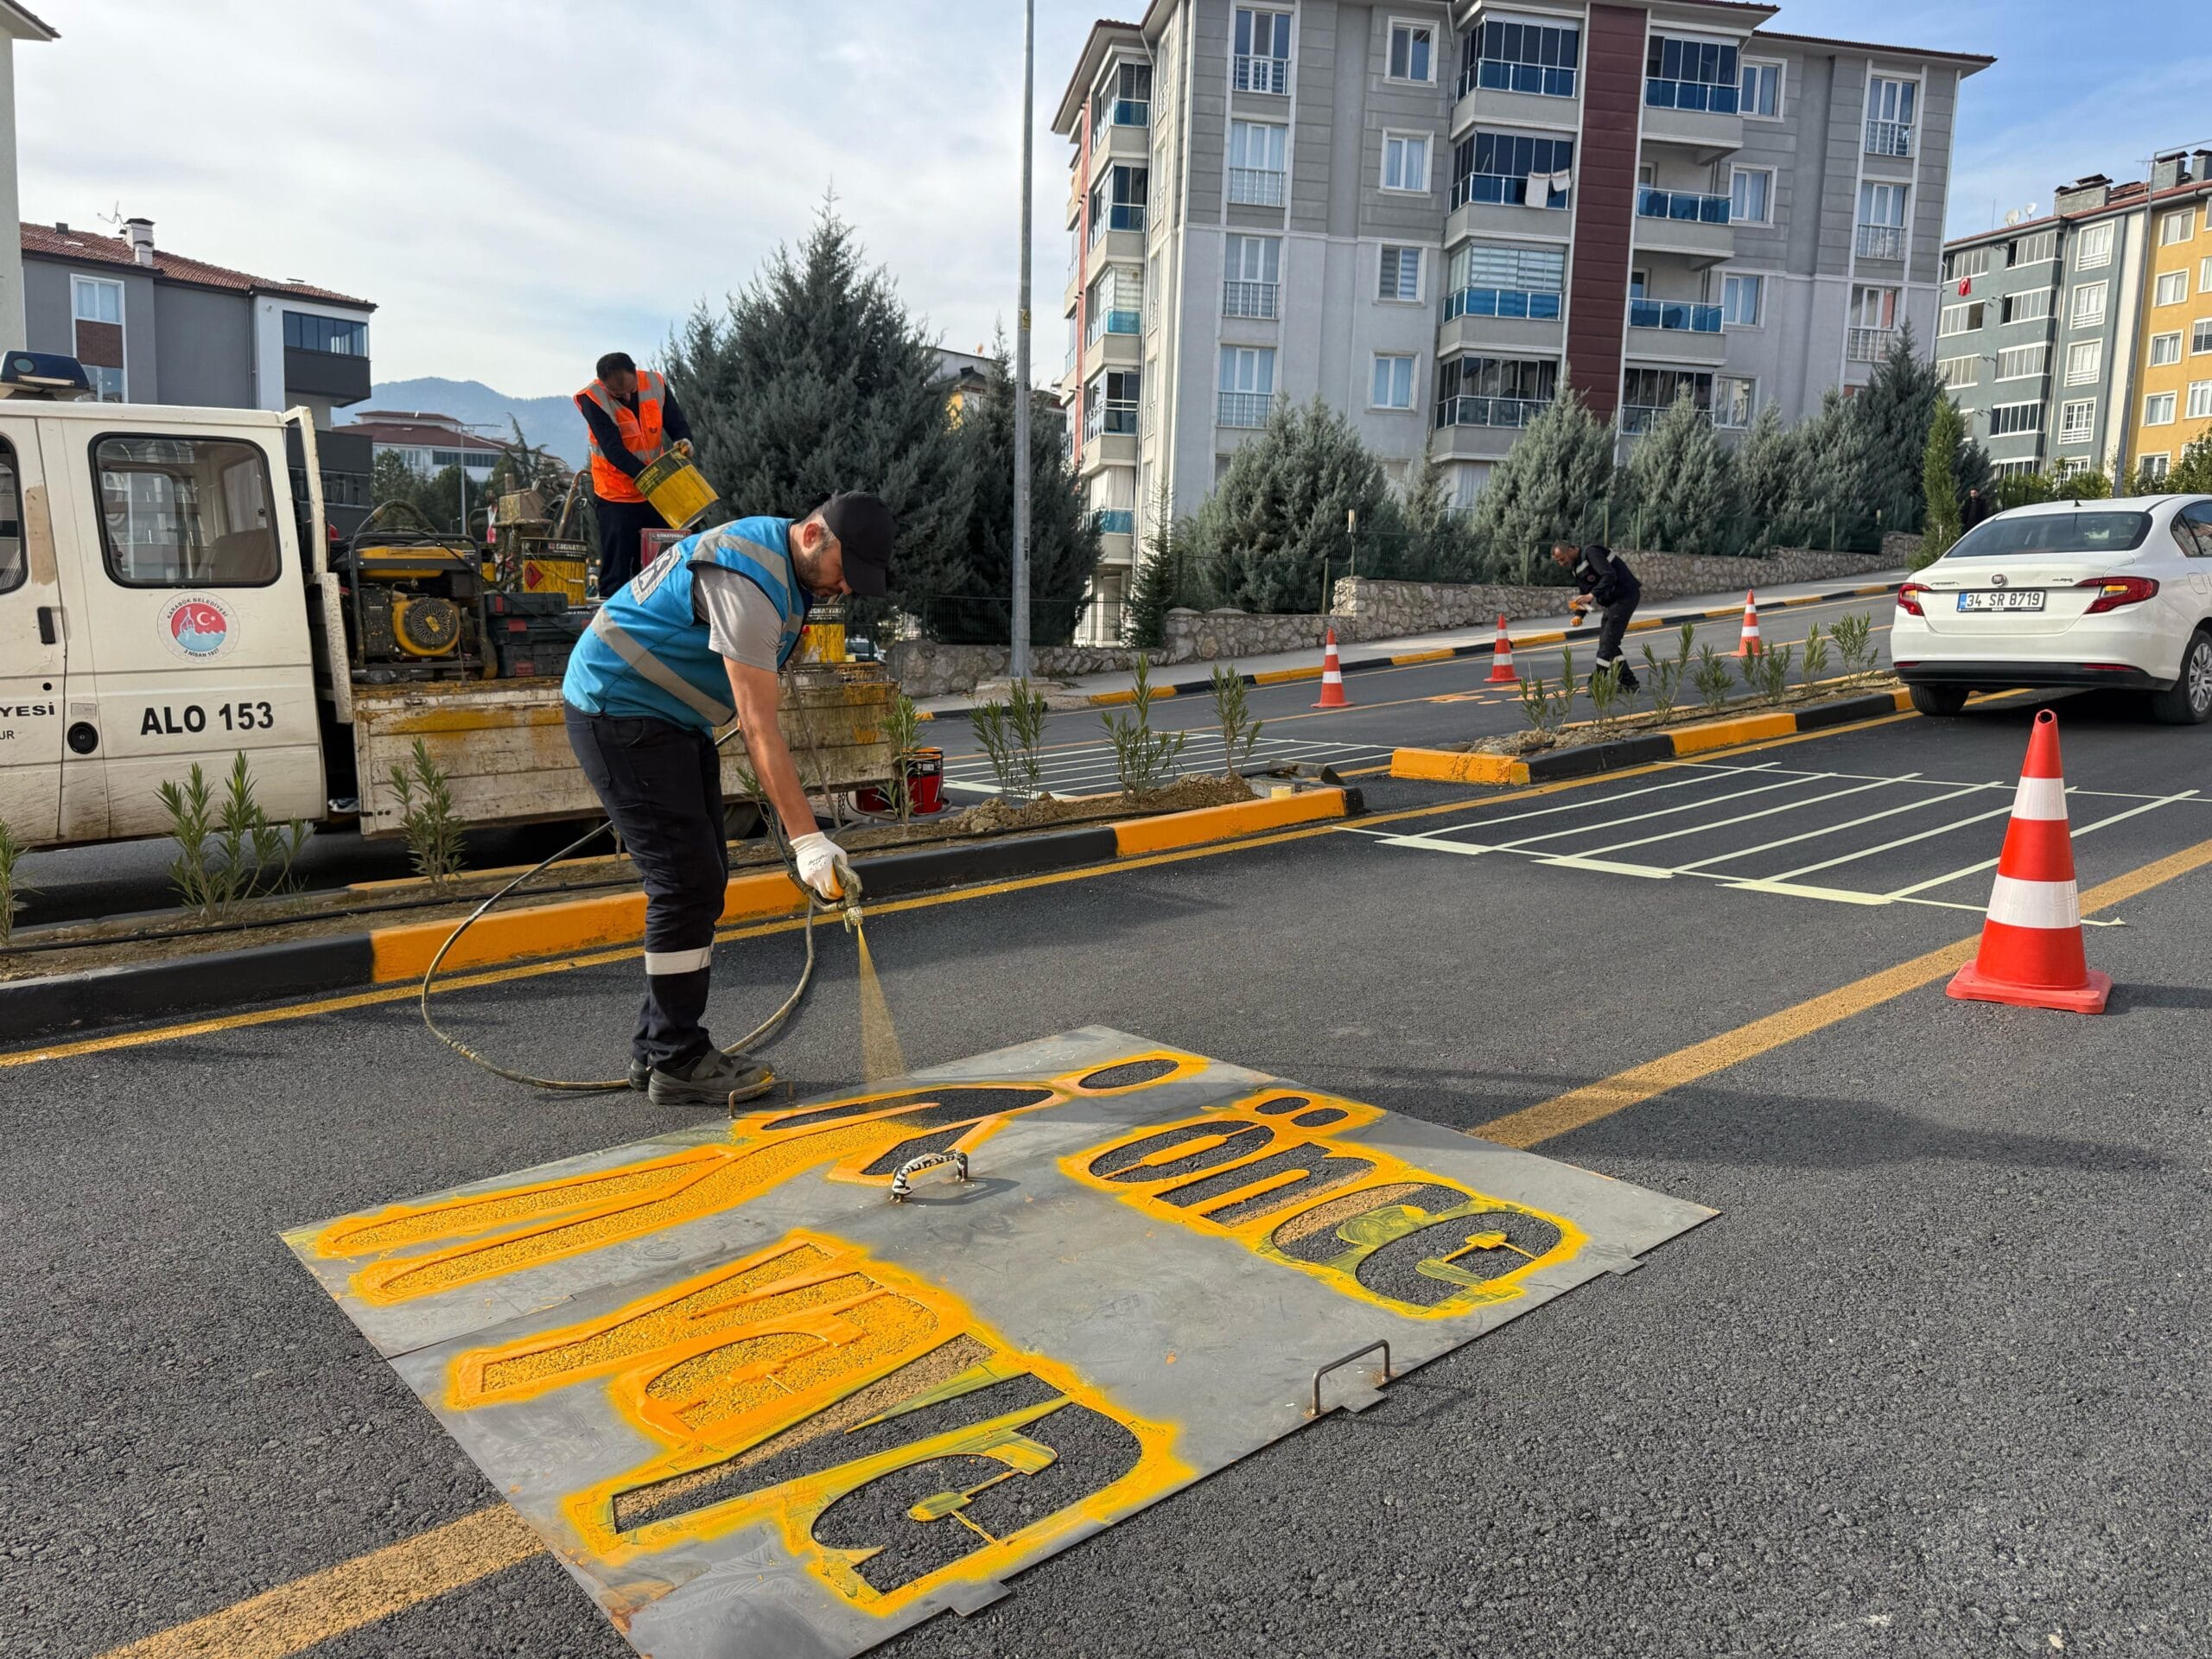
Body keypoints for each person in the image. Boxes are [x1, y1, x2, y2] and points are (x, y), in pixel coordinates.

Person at [561, 492, 895, 1106]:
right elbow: (760, 726)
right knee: (684, 882)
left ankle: (659, 1049)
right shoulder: (747, 579)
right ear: (815, 535)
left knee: (700, 880)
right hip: (620, 710)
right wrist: (809, 843)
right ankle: (676, 1060)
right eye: (847, 572)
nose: (847, 588)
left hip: (668, 720)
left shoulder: (782, 569)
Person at [575, 351, 695, 594]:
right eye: (618, 395)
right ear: (602, 383)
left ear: (635, 371)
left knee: (666, 557)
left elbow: (676, 422)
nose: (627, 396)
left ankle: (667, 607)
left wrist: (685, 441)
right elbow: (614, 451)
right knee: (617, 568)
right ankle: (611, 618)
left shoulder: (655, 383)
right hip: (617, 493)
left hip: (654, 492)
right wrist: (651, 477)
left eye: (631, 389)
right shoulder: (593, 398)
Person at [1553, 540, 1643, 693]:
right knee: (1608, 643)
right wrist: (1579, 615)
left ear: (1570, 550)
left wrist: (1592, 595)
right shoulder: (1577, 567)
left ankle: (1597, 682)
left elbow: (1609, 575)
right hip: (1613, 602)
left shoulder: (1591, 552)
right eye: (1558, 561)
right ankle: (1629, 683)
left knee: (1608, 642)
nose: (1561, 564)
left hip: (1625, 596)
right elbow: (1584, 592)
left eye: (1562, 559)